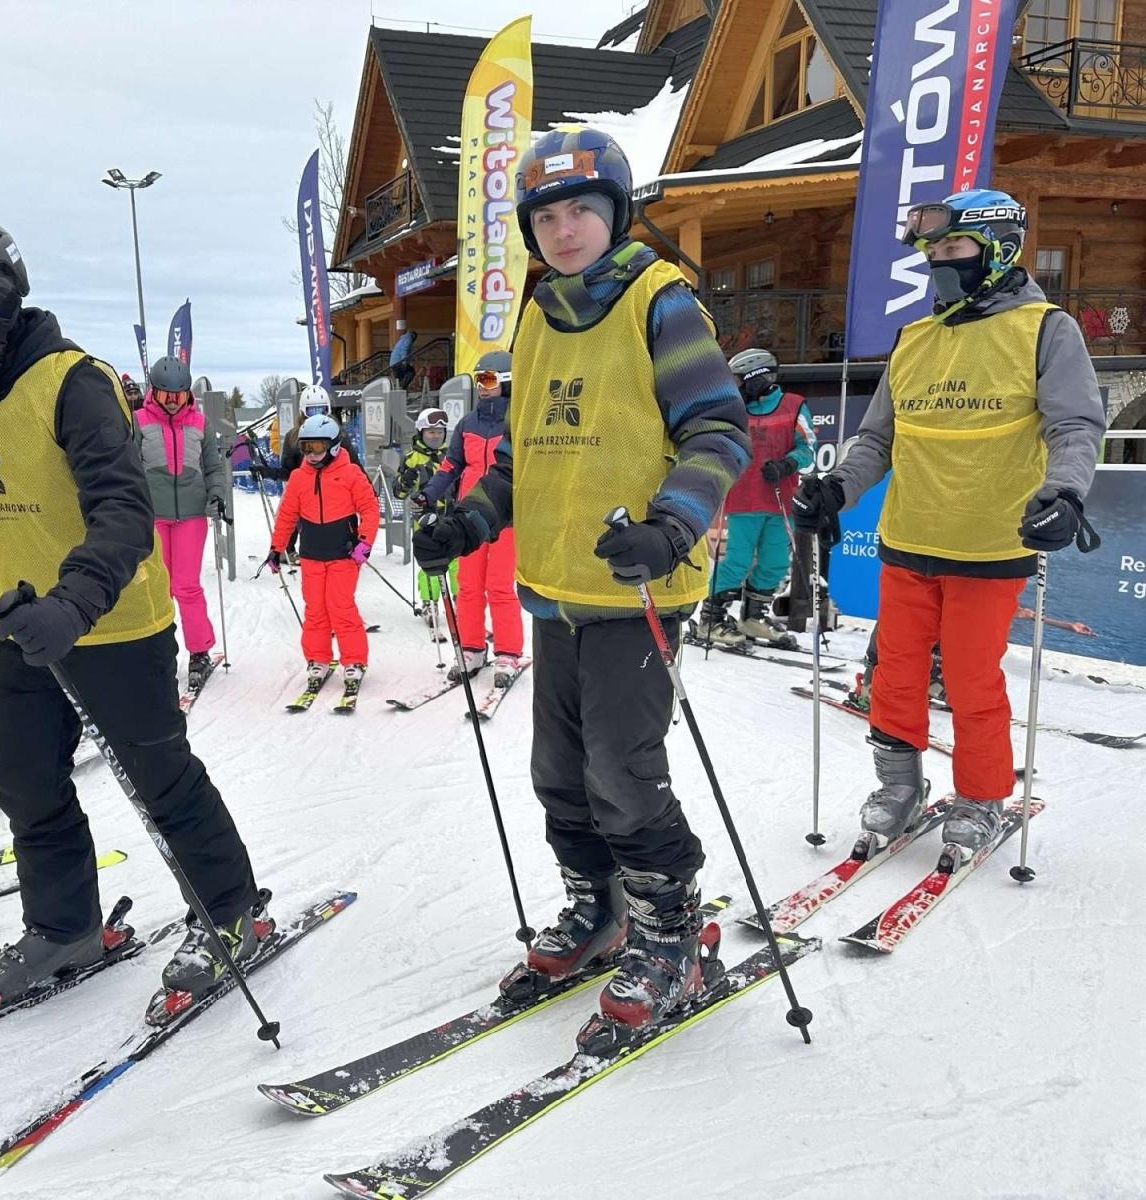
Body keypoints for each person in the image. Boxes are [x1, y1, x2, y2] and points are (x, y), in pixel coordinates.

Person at [0, 211, 267, 1008]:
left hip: (113, 623)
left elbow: (122, 513)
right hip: (24, 629)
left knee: (160, 779)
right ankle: (64, 925)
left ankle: (232, 914)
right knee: (24, 781)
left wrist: (72, 603)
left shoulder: (72, 382)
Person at [413, 127, 749, 1038]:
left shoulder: (660, 302)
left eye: (580, 211)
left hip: (637, 586)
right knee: (559, 772)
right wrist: (468, 519)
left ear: (615, 213)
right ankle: (600, 908)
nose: (564, 230)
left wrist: (672, 525)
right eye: (547, 216)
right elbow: (523, 456)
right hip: (555, 589)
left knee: (623, 772)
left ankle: (670, 931)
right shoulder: (537, 313)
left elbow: (718, 431)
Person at [794, 188, 1103, 858]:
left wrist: (1065, 493)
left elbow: (1076, 424)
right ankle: (898, 789)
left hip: (991, 544)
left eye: (953, 247)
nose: (938, 260)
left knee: (969, 681)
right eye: (931, 249)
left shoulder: (1047, 329)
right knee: (894, 676)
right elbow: (877, 440)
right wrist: (837, 489)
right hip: (908, 542)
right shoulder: (916, 338)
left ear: (997, 251)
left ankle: (981, 796)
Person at [693, 348, 815, 649]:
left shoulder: (793, 406)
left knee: (774, 562)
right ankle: (711, 618)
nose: (737, 385)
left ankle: (753, 616)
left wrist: (788, 463)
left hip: (780, 499)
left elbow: (808, 447)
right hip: (744, 499)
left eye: (741, 380)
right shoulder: (736, 409)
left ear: (757, 378)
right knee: (736, 562)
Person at [416, 350, 525, 685]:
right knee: (468, 585)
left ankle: (508, 653)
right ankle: (472, 648)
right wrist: (429, 493)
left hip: (505, 518)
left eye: (489, 379)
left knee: (499, 586)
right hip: (469, 516)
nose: (482, 387)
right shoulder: (468, 423)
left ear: (506, 383)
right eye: (479, 379)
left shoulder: (519, 420)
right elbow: (451, 466)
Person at [136, 354, 230, 689]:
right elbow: (128, 468)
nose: (173, 403)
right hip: (153, 516)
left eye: (179, 395)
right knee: (157, 587)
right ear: (154, 392)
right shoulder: (138, 421)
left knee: (186, 586)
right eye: (166, 395)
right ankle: (156, 651)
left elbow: (213, 468)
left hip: (191, 514)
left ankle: (200, 651)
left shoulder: (200, 424)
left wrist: (217, 495)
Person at [265, 412, 378, 692]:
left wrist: (365, 542)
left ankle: (354, 660)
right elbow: (287, 516)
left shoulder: (350, 473)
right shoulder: (299, 478)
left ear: (334, 446)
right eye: (305, 448)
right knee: (315, 608)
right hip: (312, 554)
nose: (311, 455)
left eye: (317, 447)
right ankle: (318, 658)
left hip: (344, 553)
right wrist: (276, 548)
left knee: (340, 606)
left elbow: (370, 508)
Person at [392, 407, 457, 620]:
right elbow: (399, 492)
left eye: (439, 432)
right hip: (426, 520)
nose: (436, 436)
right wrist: (406, 480)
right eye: (431, 432)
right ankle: (430, 603)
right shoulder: (413, 459)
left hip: (453, 516)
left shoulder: (452, 455)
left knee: (458, 563)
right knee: (431, 563)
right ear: (421, 433)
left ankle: (462, 602)